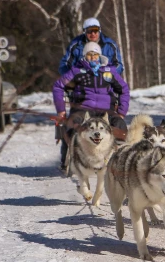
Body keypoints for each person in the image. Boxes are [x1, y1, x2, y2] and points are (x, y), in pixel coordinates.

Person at [53, 41, 130, 170]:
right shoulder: (77, 71)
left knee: (120, 126)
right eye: (89, 54)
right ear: (84, 56)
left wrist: (121, 112)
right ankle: (66, 159)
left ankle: (120, 161)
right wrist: (61, 110)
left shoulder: (109, 71)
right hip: (82, 109)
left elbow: (124, 89)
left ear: (99, 56)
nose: (93, 57)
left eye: (95, 54)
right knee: (71, 125)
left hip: (106, 110)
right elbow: (58, 86)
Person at [59, 17, 124, 75]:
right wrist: (74, 76)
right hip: (83, 82)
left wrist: (109, 74)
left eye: (95, 31)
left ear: (99, 31)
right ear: (85, 32)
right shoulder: (75, 45)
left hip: (105, 82)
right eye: (89, 31)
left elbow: (119, 65)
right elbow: (64, 65)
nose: (93, 34)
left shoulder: (110, 45)